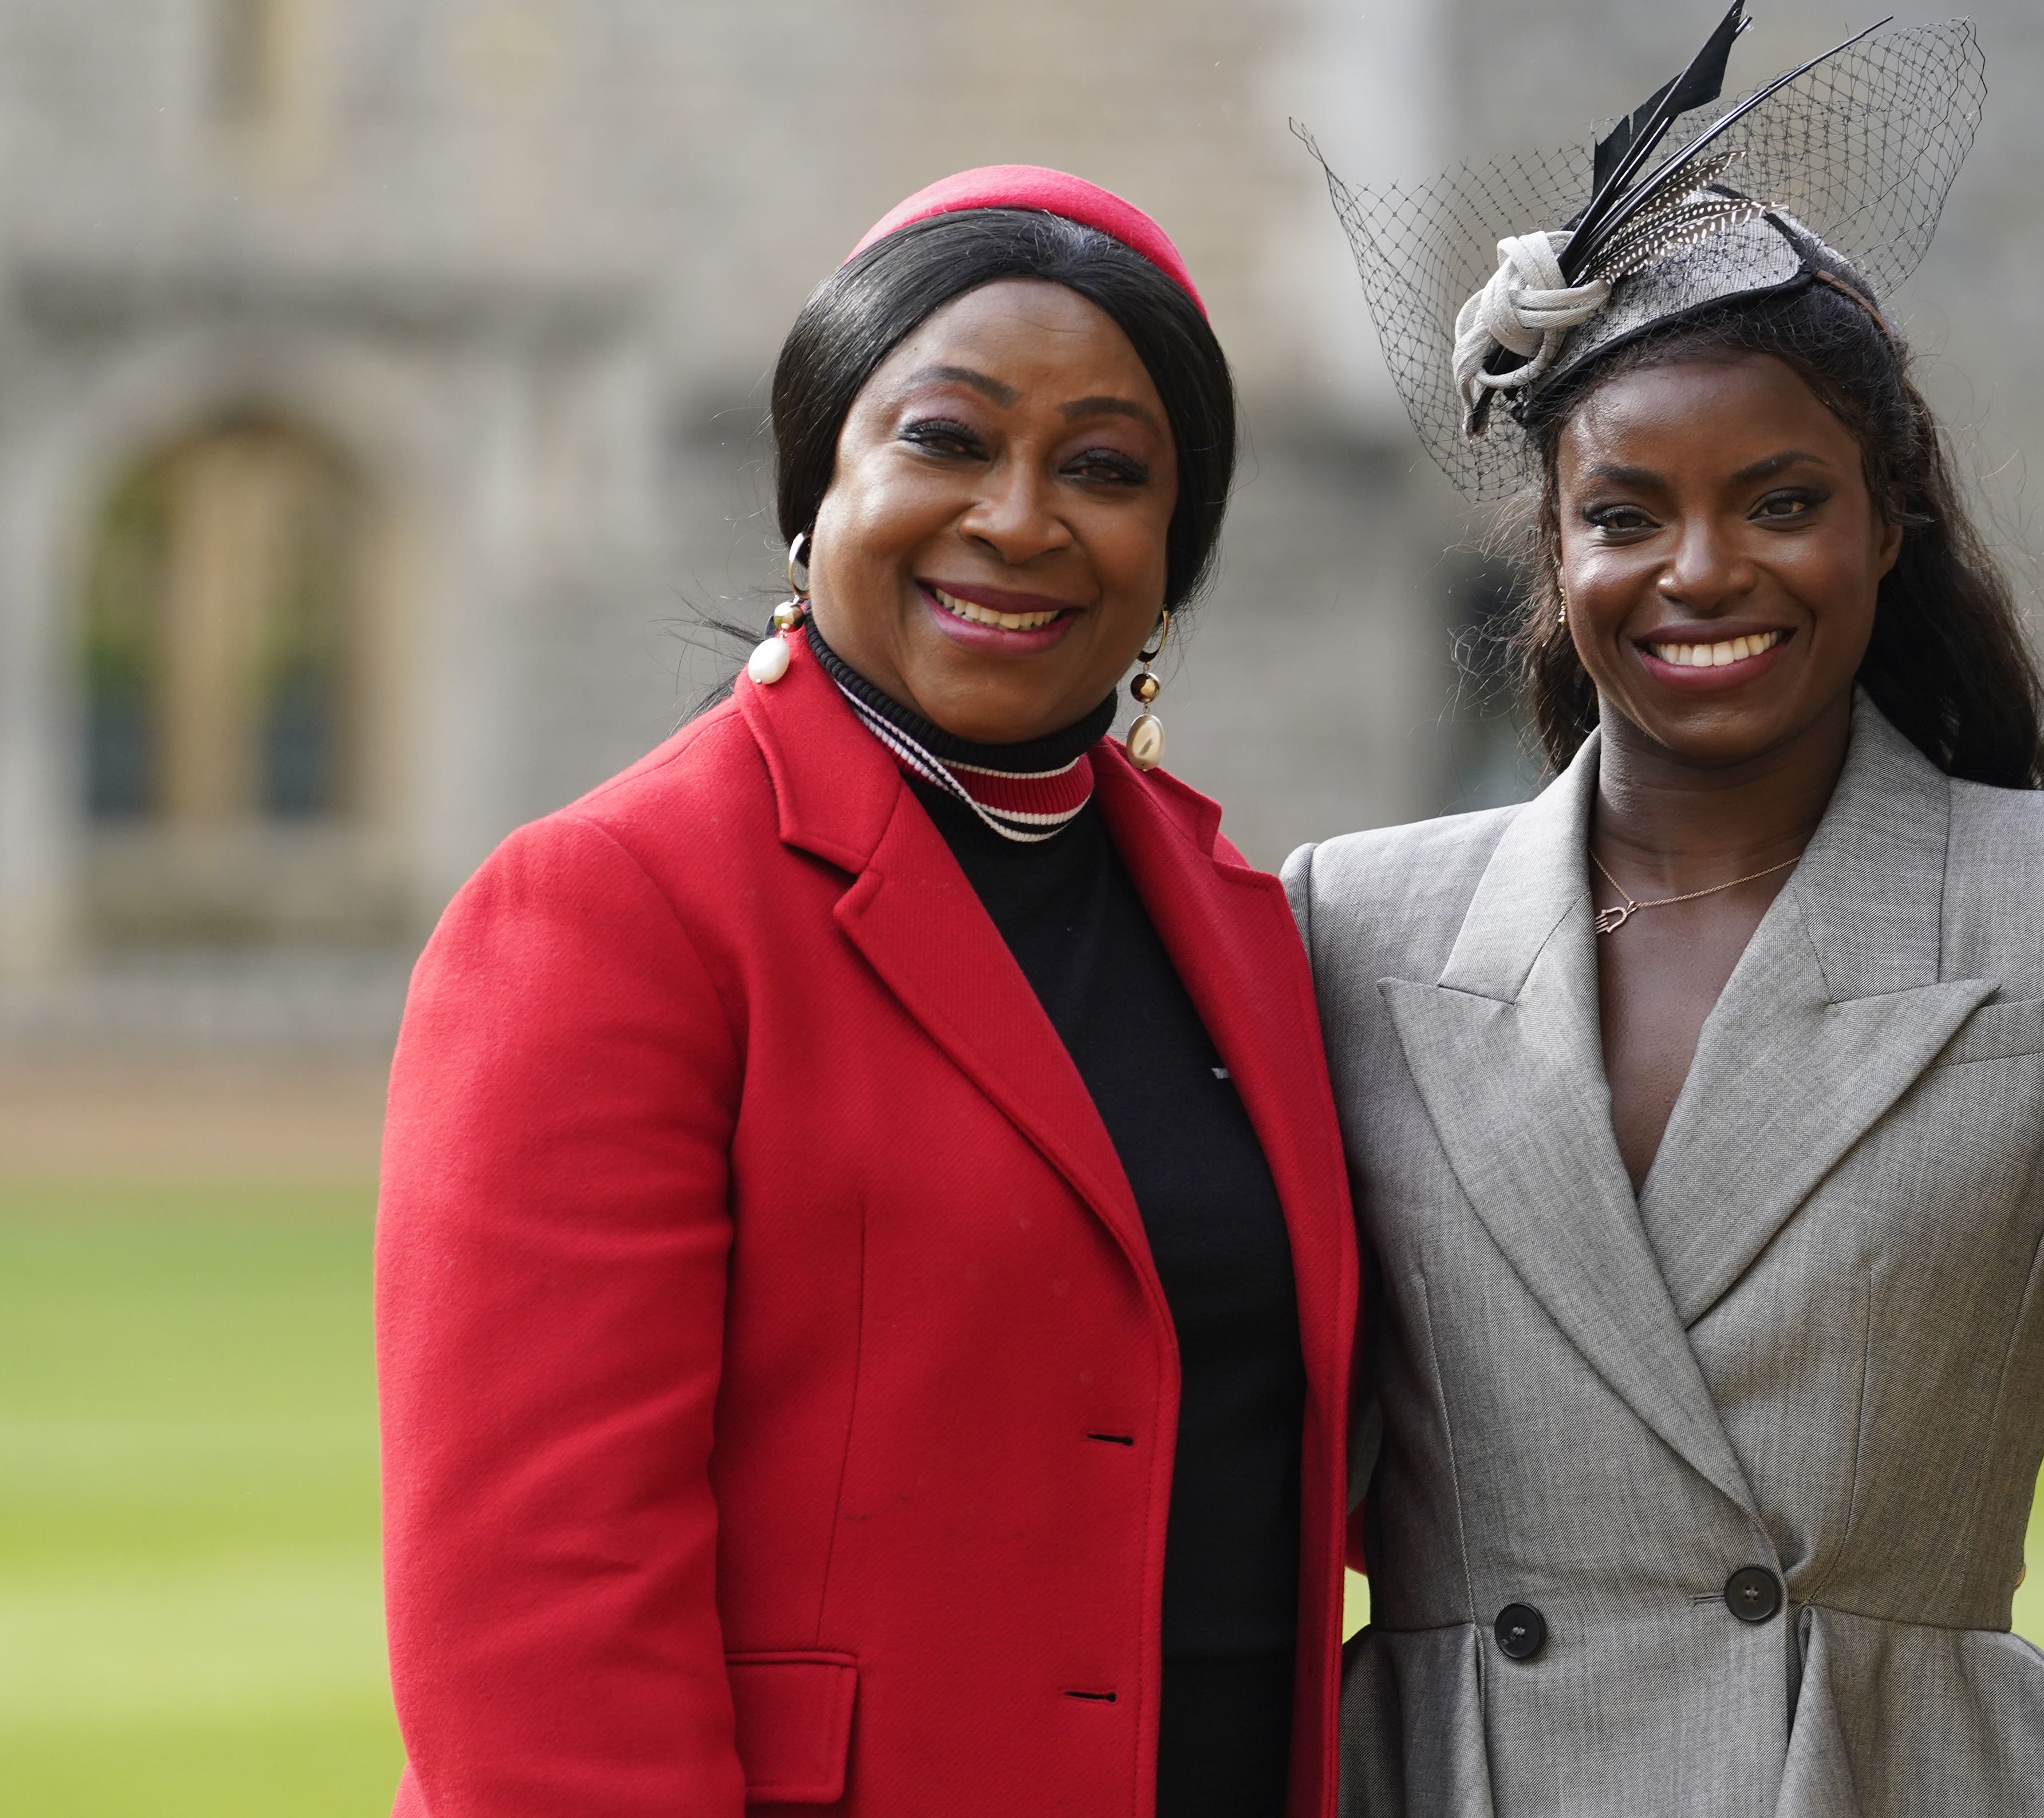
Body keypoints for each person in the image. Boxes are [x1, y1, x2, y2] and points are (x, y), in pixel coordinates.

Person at [1293, 0, 2044, 1816]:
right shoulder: (1349, 927)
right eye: (1627, 514)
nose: (1703, 570)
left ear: (1889, 523)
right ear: (1552, 548)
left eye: (1781, 500)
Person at [377, 167, 1358, 1818]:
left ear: (1169, 558)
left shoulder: (1250, 928)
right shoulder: (612, 906)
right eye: (946, 440)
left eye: (1106, 470)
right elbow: (538, 1619)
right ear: (812, 483)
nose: (1022, 518)